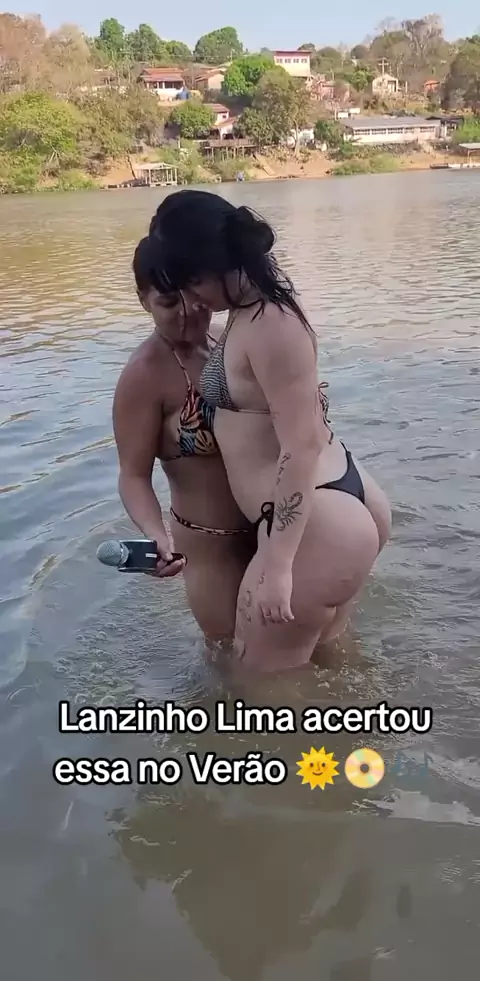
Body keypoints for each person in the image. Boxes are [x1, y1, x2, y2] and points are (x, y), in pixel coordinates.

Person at [145, 190, 392, 673]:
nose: (193, 300)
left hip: (316, 524)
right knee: (327, 666)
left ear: (210, 266)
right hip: (334, 507)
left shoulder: (269, 325)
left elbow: (300, 447)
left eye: (191, 282)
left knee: (259, 688)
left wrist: (278, 565)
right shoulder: (261, 306)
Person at [112, 235, 255, 643]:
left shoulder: (228, 340)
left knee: (323, 655)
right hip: (214, 552)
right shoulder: (144, 374)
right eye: (168, 302)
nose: (188, 311)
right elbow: (133, 476)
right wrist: (156, 534)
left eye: (194, 296)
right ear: (143, 301)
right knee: (235, 665)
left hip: (272, 534)